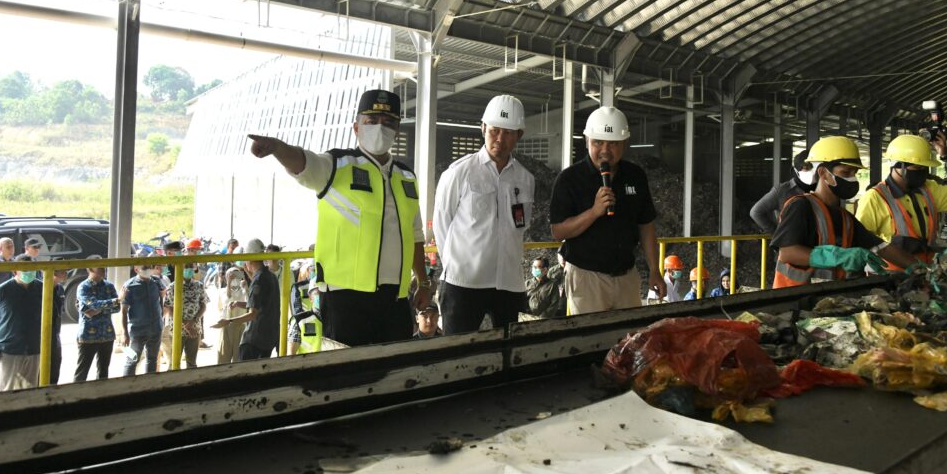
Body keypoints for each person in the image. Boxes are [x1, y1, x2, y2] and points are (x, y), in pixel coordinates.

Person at [248, 89, 429, 346]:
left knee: (393, 370)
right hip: (345, 299)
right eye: (372, 121)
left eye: (389, 123)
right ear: (356, 127)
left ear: (397, 129)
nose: (381, 128)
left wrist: (423, 281)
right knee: (348, 375)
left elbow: (416, 235)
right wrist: (278, 148)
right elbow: (303, 163)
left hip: (396, 300)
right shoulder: (336, 165)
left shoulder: (406, 177)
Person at [432, 95, 535, 334]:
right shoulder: (460, 173)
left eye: (508, 132)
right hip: (464, 284)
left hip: (509, 283)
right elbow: (441, 224)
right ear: (483, 129)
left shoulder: (525, 179)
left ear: (519, 135)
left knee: (510, 354)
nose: (500, 138)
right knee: (458, 356)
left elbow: (521, 226)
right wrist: (456, 265)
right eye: (494, 130)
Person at [549, 106, 665, 314]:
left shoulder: (635, 175)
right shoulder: (569, 179)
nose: (605, 150)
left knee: (628, 341)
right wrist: (594, 211)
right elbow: (558, 231)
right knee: (591, 341)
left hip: (627, 276)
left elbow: (646, 225)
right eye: (598, 142)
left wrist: (655, 270)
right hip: (586, 279)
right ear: (586, 141)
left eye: (613, 143)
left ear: (624, 144)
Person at [771, 136, 917, 287]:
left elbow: (881, 247)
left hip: (825, 300)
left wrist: (920, 269)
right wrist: (837, 256)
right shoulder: (800, 206)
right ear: (823, 173)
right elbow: (787, 252)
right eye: (846, 172)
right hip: (791, 300)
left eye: (855, 173)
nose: (852, 179)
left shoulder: (845, 218)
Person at [856, 134, 947, 269]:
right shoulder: (874, 198)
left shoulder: (929, 189)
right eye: (918, 168)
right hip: (890, 278)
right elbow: (859, 242)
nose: (923, 172)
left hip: (926, 272)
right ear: (898, 165)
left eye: (925, 168)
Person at [0, 255, 43, 391]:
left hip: (35, 349)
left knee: (30, 389)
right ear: (15, 271)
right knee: (7, 390)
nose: (29, 272)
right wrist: (4, 336)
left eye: (31, 269)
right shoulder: (2, 291)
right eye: (25, 269)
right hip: (9, 351)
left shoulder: (42, 289)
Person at [215, 239, 280, 360]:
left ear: (249, 259)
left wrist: (228, 321)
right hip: (270, 338)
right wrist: (240, 304)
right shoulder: (271, 276)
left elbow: (252, 314)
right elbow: (261, 304)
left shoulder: (258, 281)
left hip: (255, 340)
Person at [75, 258, 120, 381]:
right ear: (90, 269)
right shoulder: (83, 287)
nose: (103, 269)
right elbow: (92, 305)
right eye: (99, 267)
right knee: (82, 371)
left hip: (107, 333)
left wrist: (99, 308)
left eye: (103, 266)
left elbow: (117, 308)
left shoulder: (109, 286)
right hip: (88, 336)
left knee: (104, 371)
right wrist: (112, 302)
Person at [750, 150, 814, 234]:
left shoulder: (821, 188)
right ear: (796, 170)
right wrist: (776, 233)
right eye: (806, 168)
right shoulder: (782, 190)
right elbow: (756, 212)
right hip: (790, 243)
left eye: (814, 168)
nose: (812, 172)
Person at [121, 261, 165, 376]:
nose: (148, 270)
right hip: (136, 331)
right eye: (145, 268)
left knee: (152, 359)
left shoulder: (156, 282)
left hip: (156, 328)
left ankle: (149, 386)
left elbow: (161, 300)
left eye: (150, 267)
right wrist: (124, 333)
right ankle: (127, 388)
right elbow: (123, 311)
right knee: (131, 360)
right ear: (136, 270)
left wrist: (161, 321)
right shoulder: (129, 286)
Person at [162, 262, 208, 369]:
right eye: (185, 267)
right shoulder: (172, 287)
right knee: (174, 363)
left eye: (190, 267)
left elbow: (203, 305)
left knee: (192, 363)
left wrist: (194, 321)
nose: (188, 270)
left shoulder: (199, 285)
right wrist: (185, 325)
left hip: (195, 329)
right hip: (177, 330)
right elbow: (169, 308)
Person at [215, 267, 247, 364]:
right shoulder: (222, 291)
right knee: (223, 357)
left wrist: (245, 284)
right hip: (226, 326)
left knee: (239, 359)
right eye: (231, 276)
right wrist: (228, 283)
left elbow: (249, 303)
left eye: (237, 275)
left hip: (241, 326)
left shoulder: (244, 290)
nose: (234, 278)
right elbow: (227, 299)